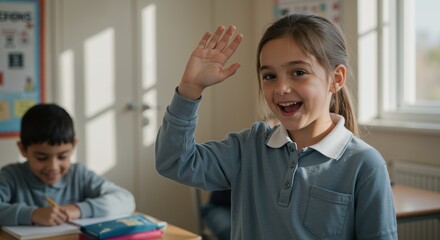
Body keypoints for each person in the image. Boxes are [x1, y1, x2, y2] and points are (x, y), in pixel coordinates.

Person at [155, 13, 397, 239]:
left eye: (298, 72)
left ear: (336, 79)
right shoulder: (248, 146)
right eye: (269, 76)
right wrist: (189, 90)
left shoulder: (365, 164)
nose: (281, 88)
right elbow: (173, 161)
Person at [0, 103, 136, 226]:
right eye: (41, 157)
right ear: (23, 149)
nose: (53, 166)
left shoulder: (79, 175)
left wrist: (78, 209)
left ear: (73, 146)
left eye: (62, 156)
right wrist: (32, 214)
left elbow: (126, 200)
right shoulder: (10, 176)